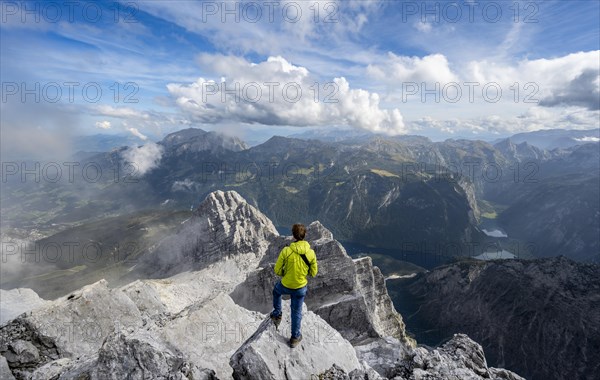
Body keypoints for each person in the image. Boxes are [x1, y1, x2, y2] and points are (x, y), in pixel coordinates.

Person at [270, 223, 318, 348]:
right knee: (296, 312)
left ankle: (277, 314)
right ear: (305, 235)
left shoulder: (286, 251)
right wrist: (303, 273)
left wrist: (285, 273)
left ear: (293, 236)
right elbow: (313, 273)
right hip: (300, 288)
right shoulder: (311, 253)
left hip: (285, 284)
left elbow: (277, 270)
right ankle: (295, 338)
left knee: (276, 291)